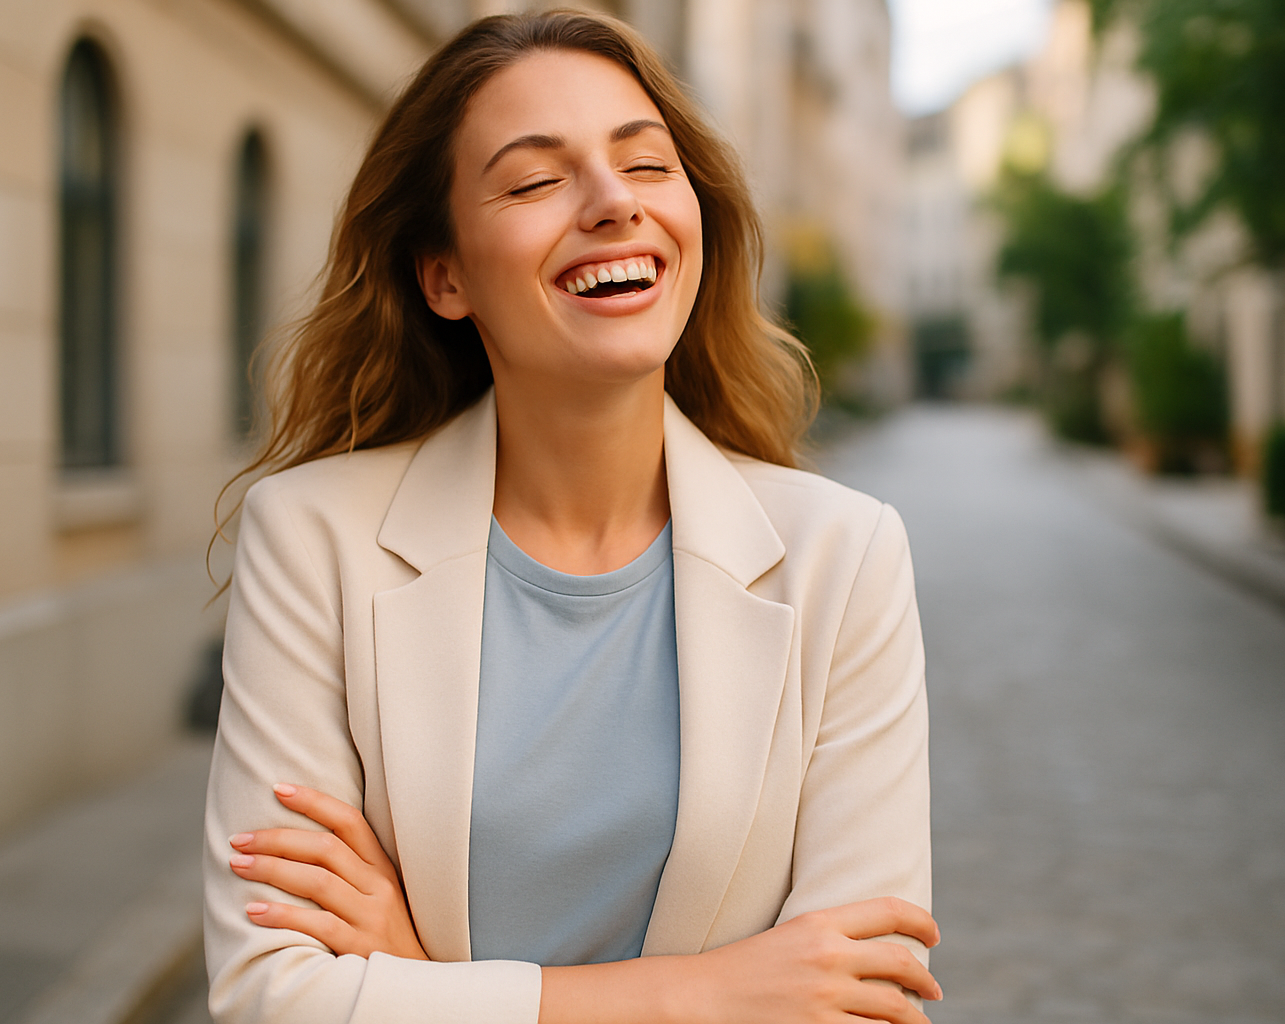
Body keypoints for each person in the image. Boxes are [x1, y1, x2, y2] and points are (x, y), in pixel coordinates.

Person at [203, 10, 938, 1024]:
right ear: (445, 275)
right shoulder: (312, 538)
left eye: (646, 165)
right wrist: (705, 993)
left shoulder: (843, 556)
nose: (611, 204)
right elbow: (270, 997)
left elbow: (858, 1005)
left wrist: (419, 979)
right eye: (538, 180)